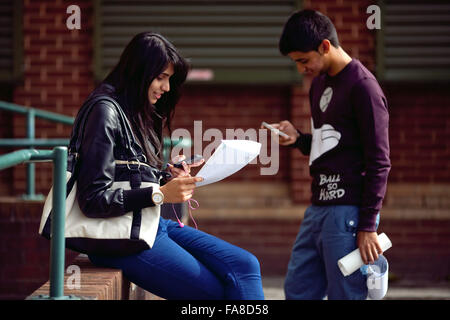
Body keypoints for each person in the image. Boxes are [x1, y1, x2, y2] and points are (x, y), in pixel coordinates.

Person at [75, 32, 265, 300]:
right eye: (161, 77)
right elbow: (93, 198)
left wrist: (166, 176)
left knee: (246, 266)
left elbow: (126, 171)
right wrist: (160, 194)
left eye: (169, 80)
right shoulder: (104, 112)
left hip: (148, 224)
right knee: (217, 293)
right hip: (121, 239)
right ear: (139, 72)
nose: (166, 88)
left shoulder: (132, 110)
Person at [269, 10, 391, 299]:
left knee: (345, 293)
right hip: (317, 209)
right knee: (298, 290)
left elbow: (379, 162)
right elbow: (332, 145)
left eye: (304, 60)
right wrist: (298, 139)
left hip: (348, 212)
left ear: (325, 46)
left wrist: (367, 225)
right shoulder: (320, 85)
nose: (301, 69)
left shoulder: (364, 87)